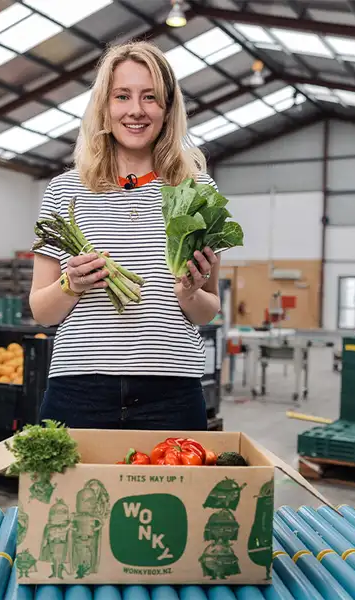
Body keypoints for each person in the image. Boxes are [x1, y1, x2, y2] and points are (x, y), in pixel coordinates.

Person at [29, 41, 221, 431]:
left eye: (150, 97)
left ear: (167, 110)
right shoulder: (65, 191)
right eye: (122, 96)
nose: (136, 109)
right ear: (105, 105)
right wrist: (71, 284)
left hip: (171, 391)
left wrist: (189, 293)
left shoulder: (197, 189)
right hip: (78, 388)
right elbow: (42, 311)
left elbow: (207, 309)